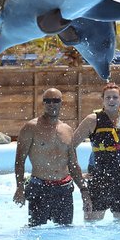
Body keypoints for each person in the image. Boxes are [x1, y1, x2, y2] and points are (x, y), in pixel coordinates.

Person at [72, 83, 120, 221]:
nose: (111, 100)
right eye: (108, 98)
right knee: (92, 224)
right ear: (102, 99)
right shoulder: (92, 120)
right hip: (98, 178)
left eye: (115, 97)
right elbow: (70, 146)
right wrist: (77, 172)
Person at [13, 87, 86, 226]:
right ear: (43, 104)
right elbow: (19, 161)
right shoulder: (31, 127)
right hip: (39, 188)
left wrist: (84, 190)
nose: (51, 104)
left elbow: (73, 164)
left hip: (64, 189)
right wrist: (20, 188)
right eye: (47, 101)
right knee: (36, 233)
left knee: (64, 233)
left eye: (55, 101)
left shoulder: (67, 130)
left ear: (61, 103)